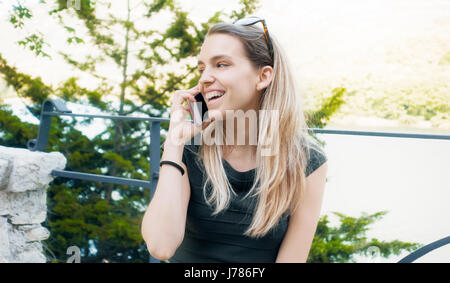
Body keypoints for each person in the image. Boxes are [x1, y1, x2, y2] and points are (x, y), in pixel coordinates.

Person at [141, 16, 328, 263]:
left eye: (221, 64)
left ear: (263, 77)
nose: (205, 77)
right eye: (202, 68)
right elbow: (160, 246)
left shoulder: (307, 160)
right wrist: (174, 143)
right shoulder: (189, 146)